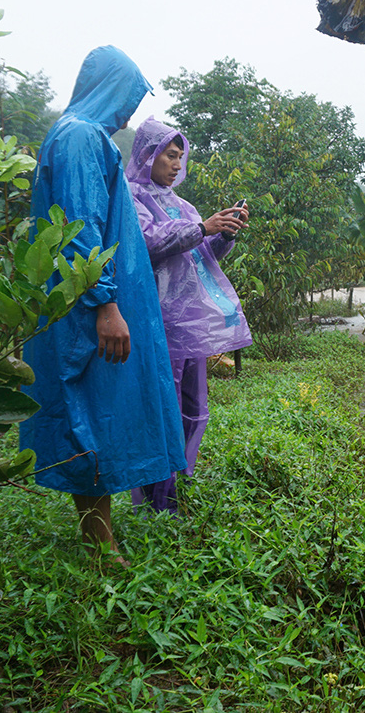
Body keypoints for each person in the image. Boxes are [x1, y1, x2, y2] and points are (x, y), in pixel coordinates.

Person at [21, 47, 185, 560]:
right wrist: (105, 306)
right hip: (89, 305)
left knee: (96, 407)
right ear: (107, 88)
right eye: (128, 99)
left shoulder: (77, 136)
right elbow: (80, 226)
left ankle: (100, 536)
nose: (129, 115)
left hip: (91, 301)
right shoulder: (80, 138)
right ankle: (100, 545)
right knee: (88, 408)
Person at [124, 116, 253, 512]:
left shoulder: (182, 206)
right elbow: (146, 242)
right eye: (170, 155)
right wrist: (202, 226)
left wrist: (223, 234)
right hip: (154, 320)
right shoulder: (130, 197)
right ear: (148, 154)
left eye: (181, 157)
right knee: (160, 405)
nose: (177, 165)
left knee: (193, 408)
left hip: (189, 325)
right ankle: (152, 499)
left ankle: (176, 485)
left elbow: (201, 256)